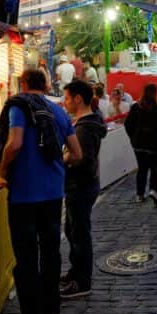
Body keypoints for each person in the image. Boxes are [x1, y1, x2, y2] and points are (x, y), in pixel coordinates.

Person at [0, 68, 82, 314]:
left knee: (25, 255)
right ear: (45, 85)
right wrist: (56, 166)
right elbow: (77, 154)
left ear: (23, 84)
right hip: (53, 194)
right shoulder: (58, 111)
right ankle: (51, 306)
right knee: (50, 250)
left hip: (23, 194)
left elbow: (15, 143)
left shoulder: (19, 107)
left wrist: (1, 170)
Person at [60, 80, 108, 300]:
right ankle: (76, 272)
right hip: (84, 185)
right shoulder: (88, 122)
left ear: (78, 99)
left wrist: (63, 159)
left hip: (80, 185)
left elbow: (81, 158)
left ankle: (82, 281)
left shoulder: (85, 127)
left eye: (68, 98)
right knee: (72, 230)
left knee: (79, 233)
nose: (65, 102)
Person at [123, 83, 157, 206]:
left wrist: (133, 138)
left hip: (139, 145)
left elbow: (128, 124)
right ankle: (153, 190)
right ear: (155, 93)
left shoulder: (135, 107)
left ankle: (139, 195)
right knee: (156, 168)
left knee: (142, 169)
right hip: (154, 146)